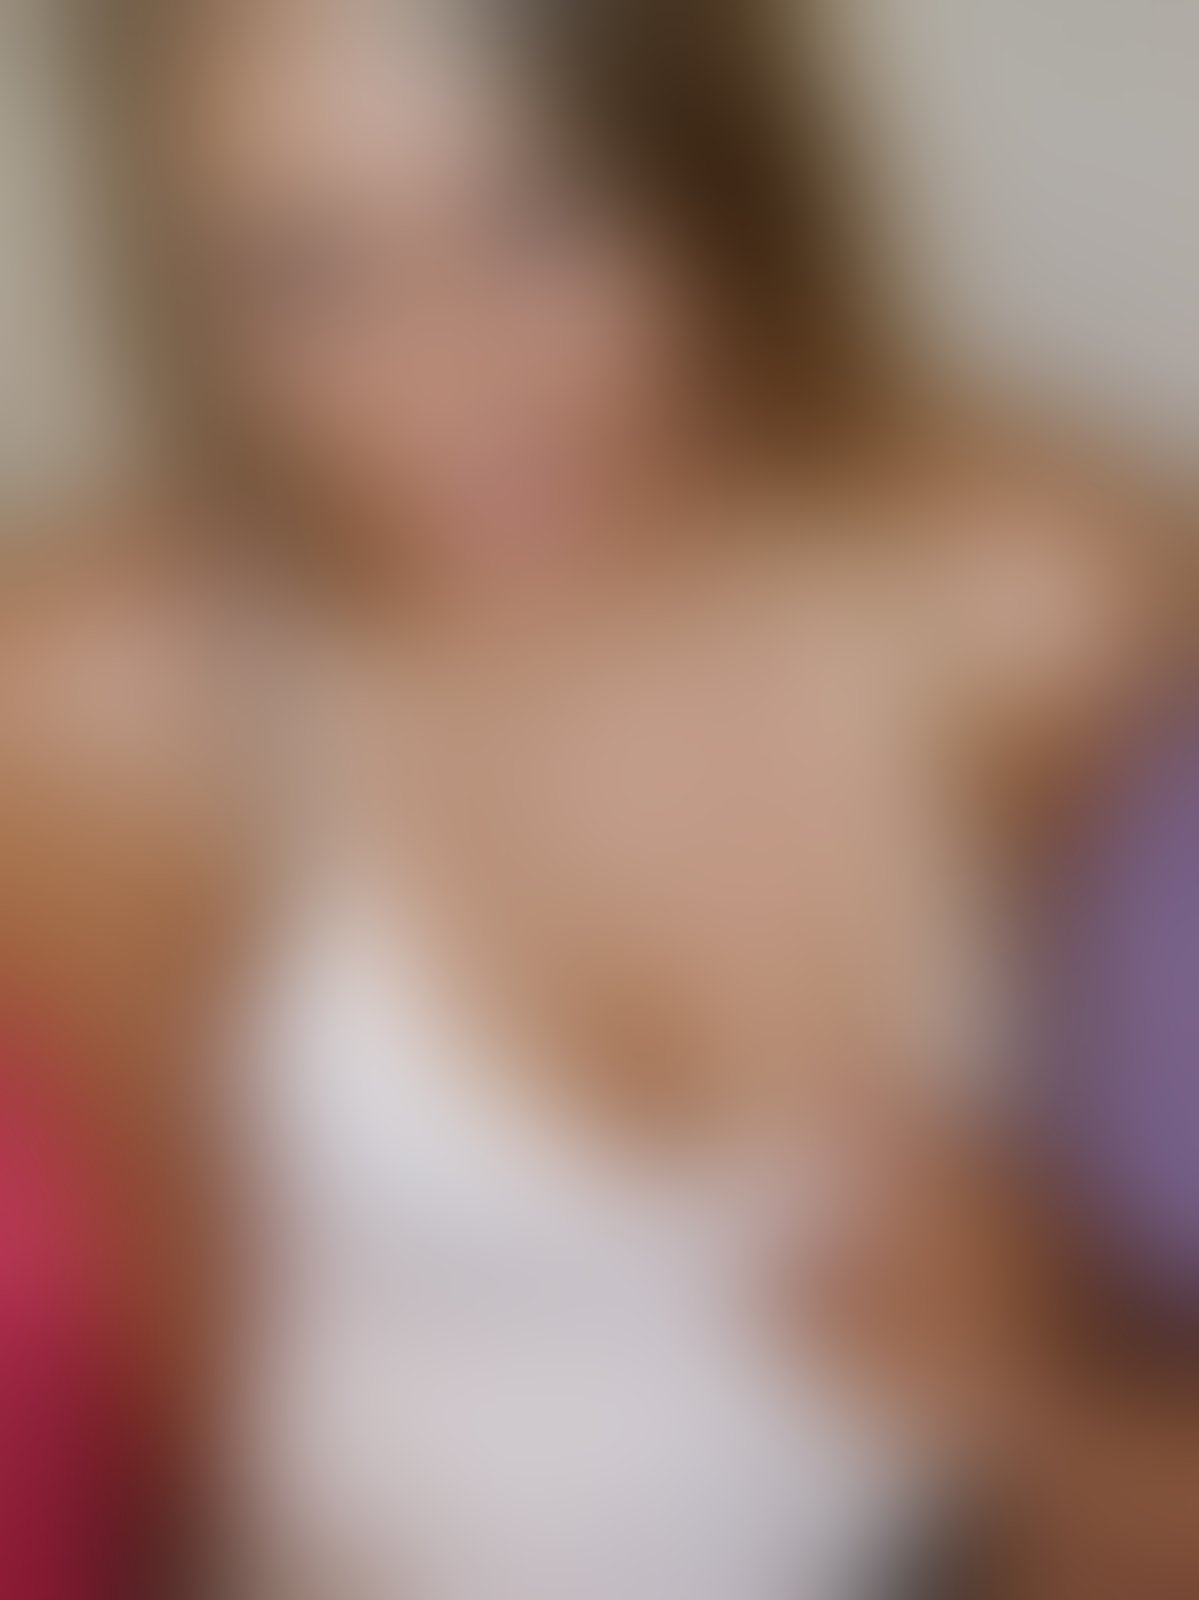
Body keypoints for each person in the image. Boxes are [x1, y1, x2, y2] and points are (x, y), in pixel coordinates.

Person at [0, 2, 1186, 1595]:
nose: (453, 378)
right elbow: (163, 1409)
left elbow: (1123, 1278)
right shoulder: (98, 716)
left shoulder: (1048, 604)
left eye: (544, 211)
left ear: (719, 176)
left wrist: (1050, 1341)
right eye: (302, 268)